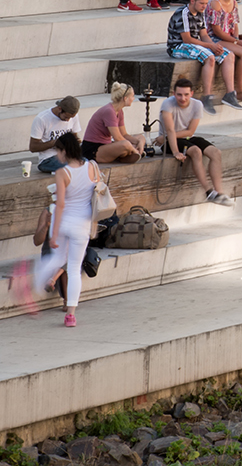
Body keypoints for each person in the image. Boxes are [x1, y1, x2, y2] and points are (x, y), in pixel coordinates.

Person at [8, 132, 102, 326]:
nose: (57, 155)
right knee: (75, 269)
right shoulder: (93, 166)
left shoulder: (63, 173)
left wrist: (54, 232)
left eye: (58, 151)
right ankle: (71, 315)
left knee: (56, 259)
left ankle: (28, 280)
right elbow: (98, 193)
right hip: (83, 225)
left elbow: (59, 204)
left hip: (65, 222)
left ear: (64, 151)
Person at [158, 78, 232, 205]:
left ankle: (219, 192)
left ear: (191, 93)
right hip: (169, 140)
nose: (183, 98)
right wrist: (175, 151)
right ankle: (209, 192)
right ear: (174, 94)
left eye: (186, 95)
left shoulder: (197, 104)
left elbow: (190, 131)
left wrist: (164, 137)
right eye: (179, 95)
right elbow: (170, 131)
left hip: (185, 136)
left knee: (215, 153)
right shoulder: (167, 104)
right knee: (196, 152)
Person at [169, 0, 238, 112]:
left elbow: (204, 35)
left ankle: (230, 94)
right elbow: (187, 39)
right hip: (178, 46)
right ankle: (206, 96)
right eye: (201, 3)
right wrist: (210, 47)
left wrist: (214, 46)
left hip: (194, 44)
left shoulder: (201, 12)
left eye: (206, 3)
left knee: (229, 55)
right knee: (209, 58)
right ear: (192, 1)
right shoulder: (183, 13)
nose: (204, 6)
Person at [82, 82, 147, 164]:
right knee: (125, 144)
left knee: (141, 137)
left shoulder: (119, 111)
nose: (133, 98)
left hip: (107, 145)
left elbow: (124, 135)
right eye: (132, 96)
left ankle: (131, 154)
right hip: (94, 149)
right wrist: (133, 148)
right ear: (125, 98)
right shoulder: (109, 111)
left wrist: (139, 142)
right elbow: (117, 138)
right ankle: (131, 154)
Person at [30, 96, 84, 174]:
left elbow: (75, 137)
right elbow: (33, 147)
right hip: (49, 158)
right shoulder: (42, 119)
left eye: (70, 118)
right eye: (66, 117)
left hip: (68, 155)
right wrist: (54, 143)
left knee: (87, 163)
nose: (67, 120)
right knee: (74, 167)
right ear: (59, 109)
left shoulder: (73, 117)